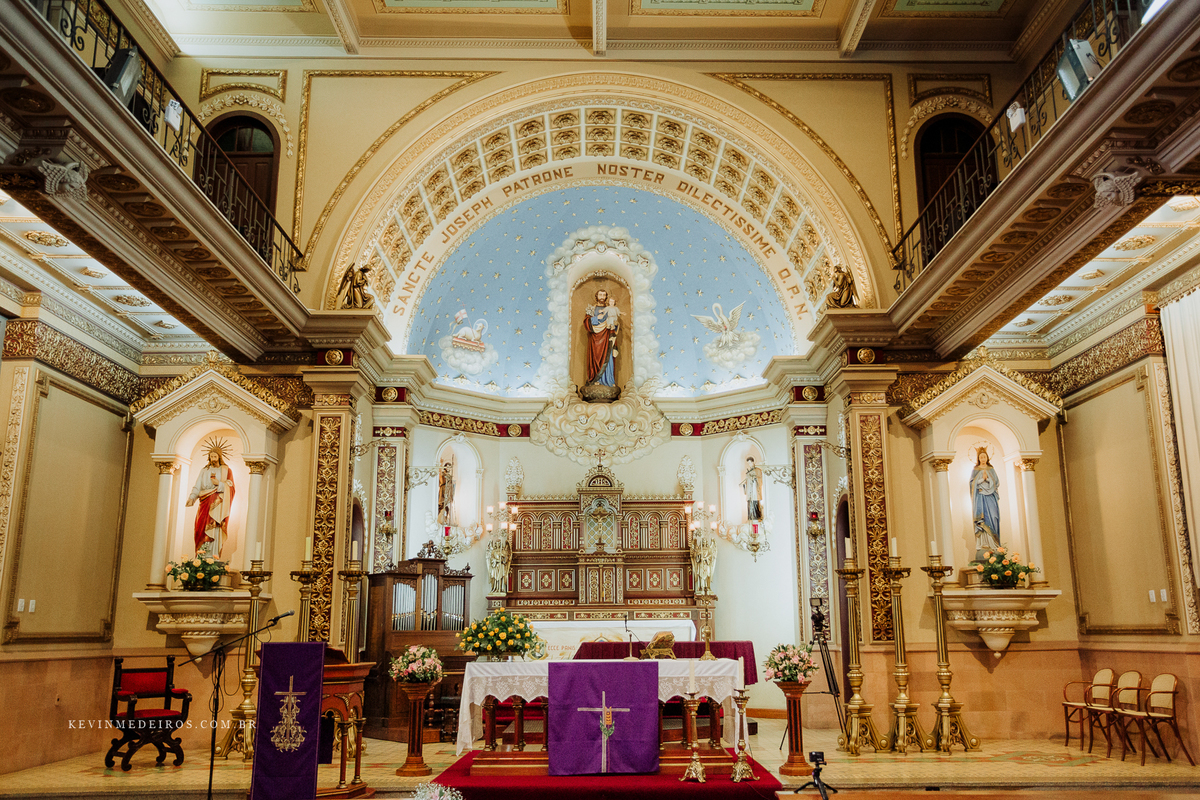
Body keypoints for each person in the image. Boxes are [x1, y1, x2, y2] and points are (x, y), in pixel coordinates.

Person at [186, 440, 235, 554]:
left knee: (215, 526)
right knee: (200, 527)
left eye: (215, 456)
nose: (213, 458)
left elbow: (231, 487)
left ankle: (213, 554)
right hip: (204, 501)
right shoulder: (204, 471)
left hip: (218, 503)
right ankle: (201, 554)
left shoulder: (226, 470)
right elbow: (197, 486)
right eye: (211, 456)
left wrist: (219, 484)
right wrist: (192, 498)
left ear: (219, 457)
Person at [970, 447, 1002, 559]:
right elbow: (971, 484)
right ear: (978, 458)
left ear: (987, 457)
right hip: (980, 498)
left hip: (991, 498)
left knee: (993, 517)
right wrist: (980, 480)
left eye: (984, 456)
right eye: (981, 457)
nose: (983, 458)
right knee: (981, 520)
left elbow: (996, 482)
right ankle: (984, 545)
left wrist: (988, 480)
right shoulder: (976, 469)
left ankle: (994, 545)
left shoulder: (991, 469)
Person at [584, 289, 619, 386]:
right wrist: (596, 318)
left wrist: (615, 325)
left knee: (608, 357)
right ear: (596, 296)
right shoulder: (591, 308)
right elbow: (586, 322)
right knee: (595, 357)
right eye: (600, 295)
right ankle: (595, 380)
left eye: (604, 295)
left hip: (607, 336)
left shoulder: (610, 309)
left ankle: (609, 381)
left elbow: (614, 321)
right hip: (595, 338)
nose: (602, 297)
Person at [741, 455, 763, 522]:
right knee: (750, 505)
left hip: (755, 491)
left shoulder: (758, 470)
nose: (749, 464)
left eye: (750, 462)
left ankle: (757, 518)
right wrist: (744, 484)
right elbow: (747, 481)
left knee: (755, 505)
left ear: (753, 462)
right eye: (748, 463)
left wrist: (755, 478)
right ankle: (750, 519)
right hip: (749, 492)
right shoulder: (748, 472)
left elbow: (760, 480)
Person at [436, 460, 455, 527]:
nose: (449, 468)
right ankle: (440, 519)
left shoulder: (449, 475)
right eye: (447, 467)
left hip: (448, 491)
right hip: (443, 490)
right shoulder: (443, 474)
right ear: (445, 467)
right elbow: (442, 480)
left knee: (447, 507)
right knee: (442, 505)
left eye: (450, 467)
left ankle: (446, 519)